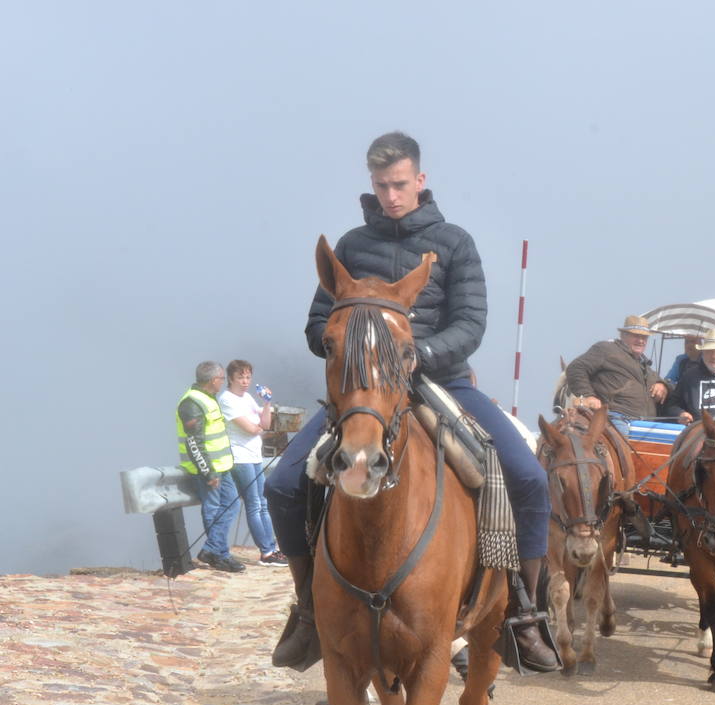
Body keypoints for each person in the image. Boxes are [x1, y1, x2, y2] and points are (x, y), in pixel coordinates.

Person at [265, 131, 557, 676]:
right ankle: (309, 610)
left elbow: (471, 323)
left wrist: (414, 354)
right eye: (381, 185)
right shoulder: (349, 246)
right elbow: (315, 323)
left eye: (399, 184)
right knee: (283, 482)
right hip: (363, 391)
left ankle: (523, 614)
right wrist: (352, 345)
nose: (391, 195)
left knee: (525, 478)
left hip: (442, 381)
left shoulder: (454, 242)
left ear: (419, 180)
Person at [217, 360, 287, 567]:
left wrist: (267, 403)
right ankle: (266, 552)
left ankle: (272, 548)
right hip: (240, 458)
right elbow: (250, 429)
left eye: (248, 377)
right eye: (241, 377)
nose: (245, 381)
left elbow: (264, 424)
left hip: (255, 456)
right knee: (254, 504)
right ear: (230, 378)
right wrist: (258, 428)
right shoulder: (226, 399)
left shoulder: (247, 397)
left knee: (263, 503)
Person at [177, 361, 244, 573]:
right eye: (222, 379)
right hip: (209, 470)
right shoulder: (192, 403)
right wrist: (208, 472)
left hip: (223, 466)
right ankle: (219, 554)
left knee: (231, 505)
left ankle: (213, 549)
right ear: (213, 380)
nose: (222, 383)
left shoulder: (208, 398)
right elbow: (194, 443)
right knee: (213, 510)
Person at [563, 315, 669, 436]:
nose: (641, 340)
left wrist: (662, 385)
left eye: (644, 337)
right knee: (620, 446)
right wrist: (588, 396)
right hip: (616, 418)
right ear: (623, 335)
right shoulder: (606, 350)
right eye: (636, 335)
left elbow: (664, 383)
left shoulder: (646, 366)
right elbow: (576, 368)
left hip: (646, 425)